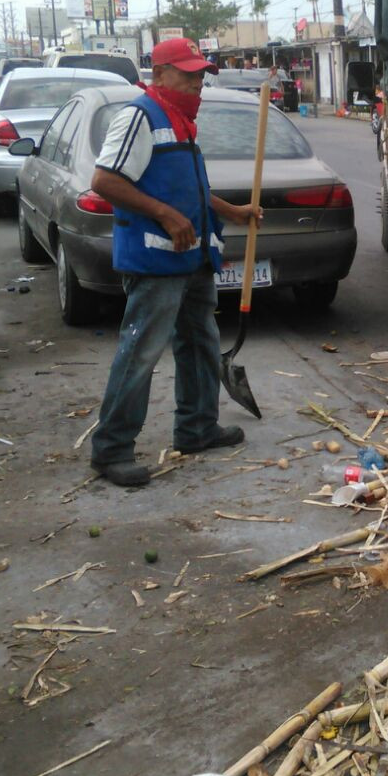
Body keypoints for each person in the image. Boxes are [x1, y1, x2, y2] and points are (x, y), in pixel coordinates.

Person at [87, 37, 263, 487]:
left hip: (194, 257)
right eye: (188, 76)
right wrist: (165, 214)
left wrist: (232, 211)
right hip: (154, 260)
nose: (197, 85)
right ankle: (111, 450)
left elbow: (188, 190)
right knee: (141, 352)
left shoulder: (180, 121)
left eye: (201, 76)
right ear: (160, 74)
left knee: (200, 342)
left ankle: (197, 428)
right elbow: (105, 181)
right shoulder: (140, 116)